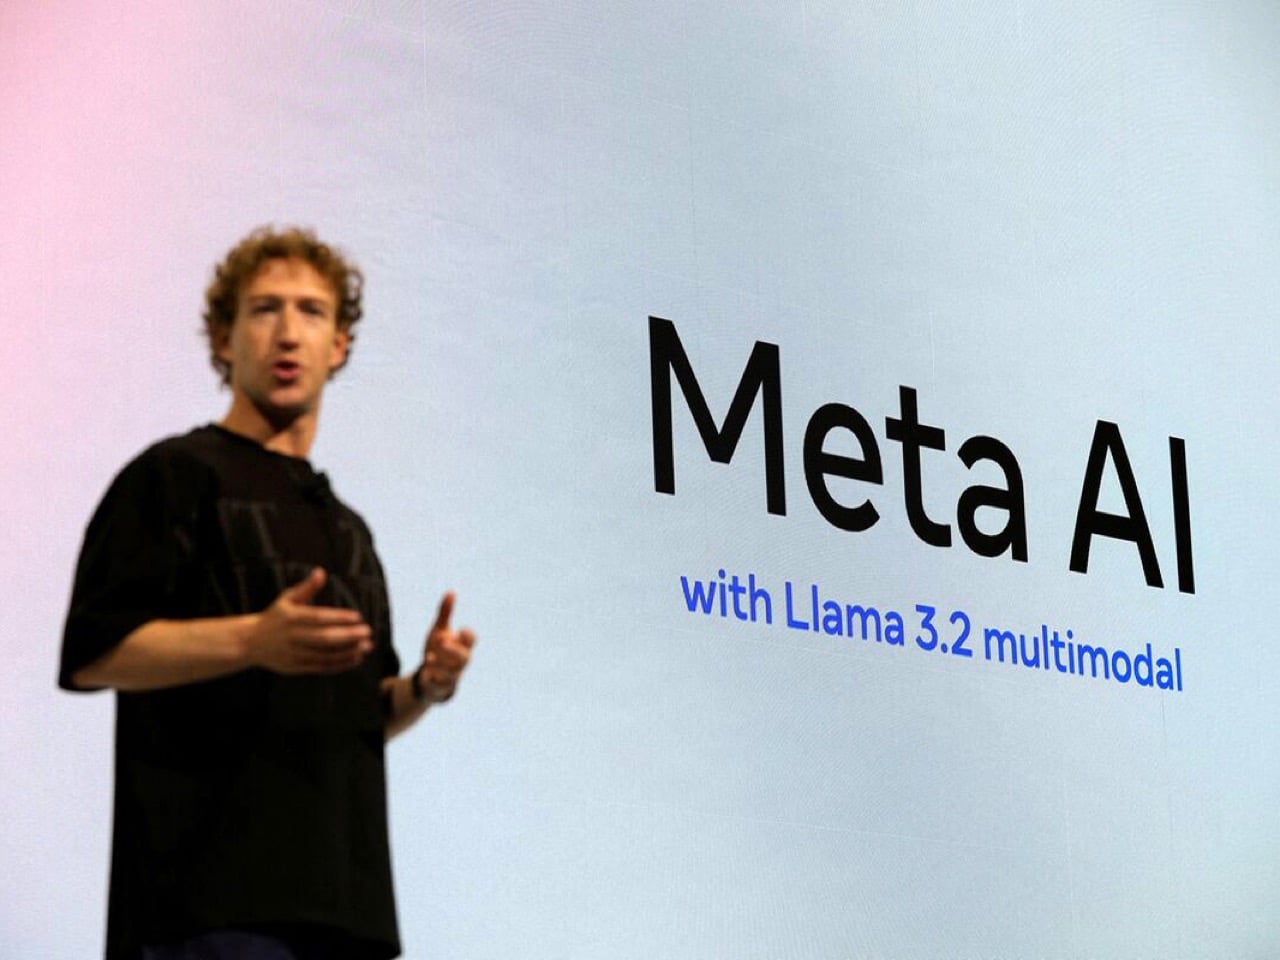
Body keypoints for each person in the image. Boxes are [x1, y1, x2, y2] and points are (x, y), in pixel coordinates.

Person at [58, 226, 475, 960]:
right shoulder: (174, 477)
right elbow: (95, 653)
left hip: (347, 921)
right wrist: (253, 640)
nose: (288, 333)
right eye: (264, 309)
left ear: (339, 346)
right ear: (224, 339)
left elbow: (364, 717)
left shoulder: (349, 530)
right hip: (206, 913)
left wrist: (425, 687)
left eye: (311, 312)